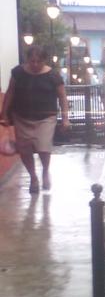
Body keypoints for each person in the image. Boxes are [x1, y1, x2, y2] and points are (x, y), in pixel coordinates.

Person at [0, 46, 69, 193]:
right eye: (32, 61)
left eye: (39, 61)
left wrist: (65, 118)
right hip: (21, 117)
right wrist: (4, 113)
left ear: (44, 60)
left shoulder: (53, 76)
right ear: (27, 60)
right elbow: (10, 92)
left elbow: (62, 97)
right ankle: (33, 177)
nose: (35, 64)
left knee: (44, 147)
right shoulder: (18, 73)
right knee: (24, 150)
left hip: (46, 118)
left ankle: (45, 171)